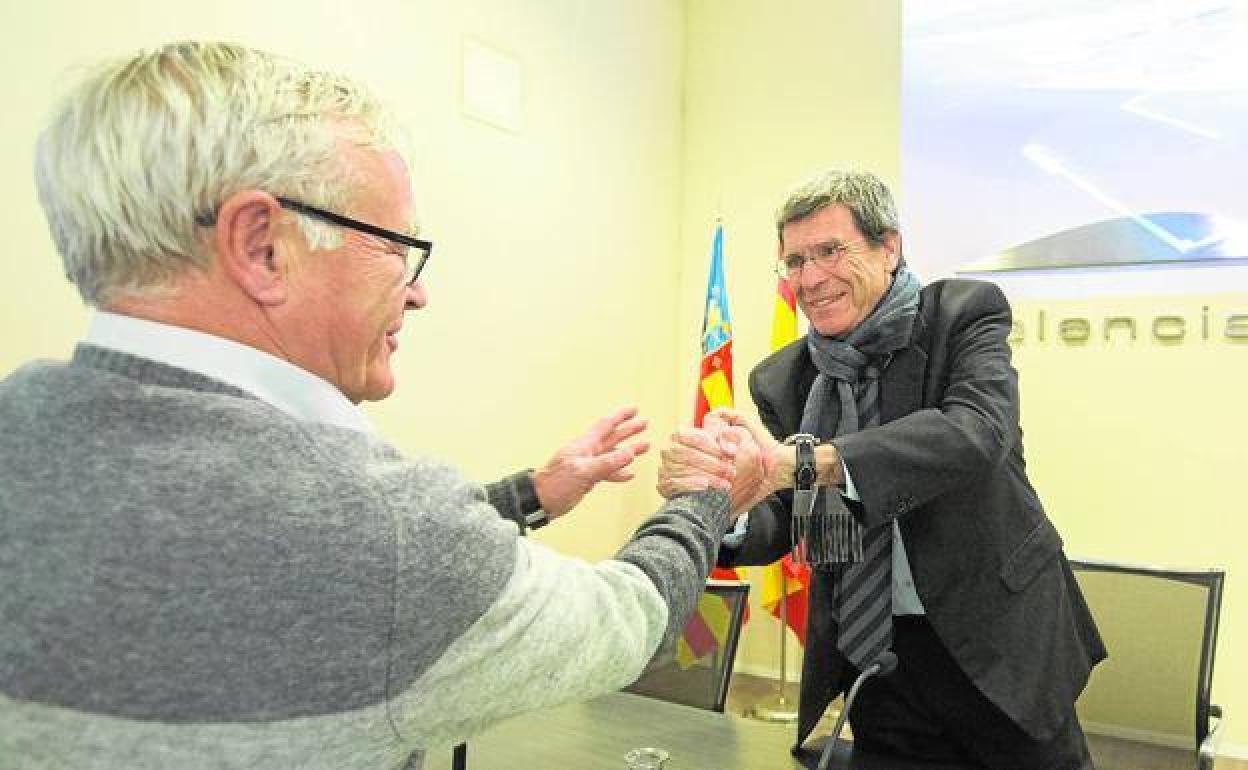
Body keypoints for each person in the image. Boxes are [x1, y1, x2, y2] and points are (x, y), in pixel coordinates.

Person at [0, 42, 765, 770]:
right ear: (261, 245)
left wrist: (531, 493)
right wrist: (704, 499)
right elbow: (620, 622)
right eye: (397, 245)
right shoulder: (383, 528)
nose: (418, 289)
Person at [679, 170, 1107, 769]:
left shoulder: (963, 315)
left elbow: (974, 432)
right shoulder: (784, 379)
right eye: (795, 261)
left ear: (889, 247)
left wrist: (810, 462)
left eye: (831, 251)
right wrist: (724, 503)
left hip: (998, 648)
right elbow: (786, 509)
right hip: (879, 656)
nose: (811, 278)